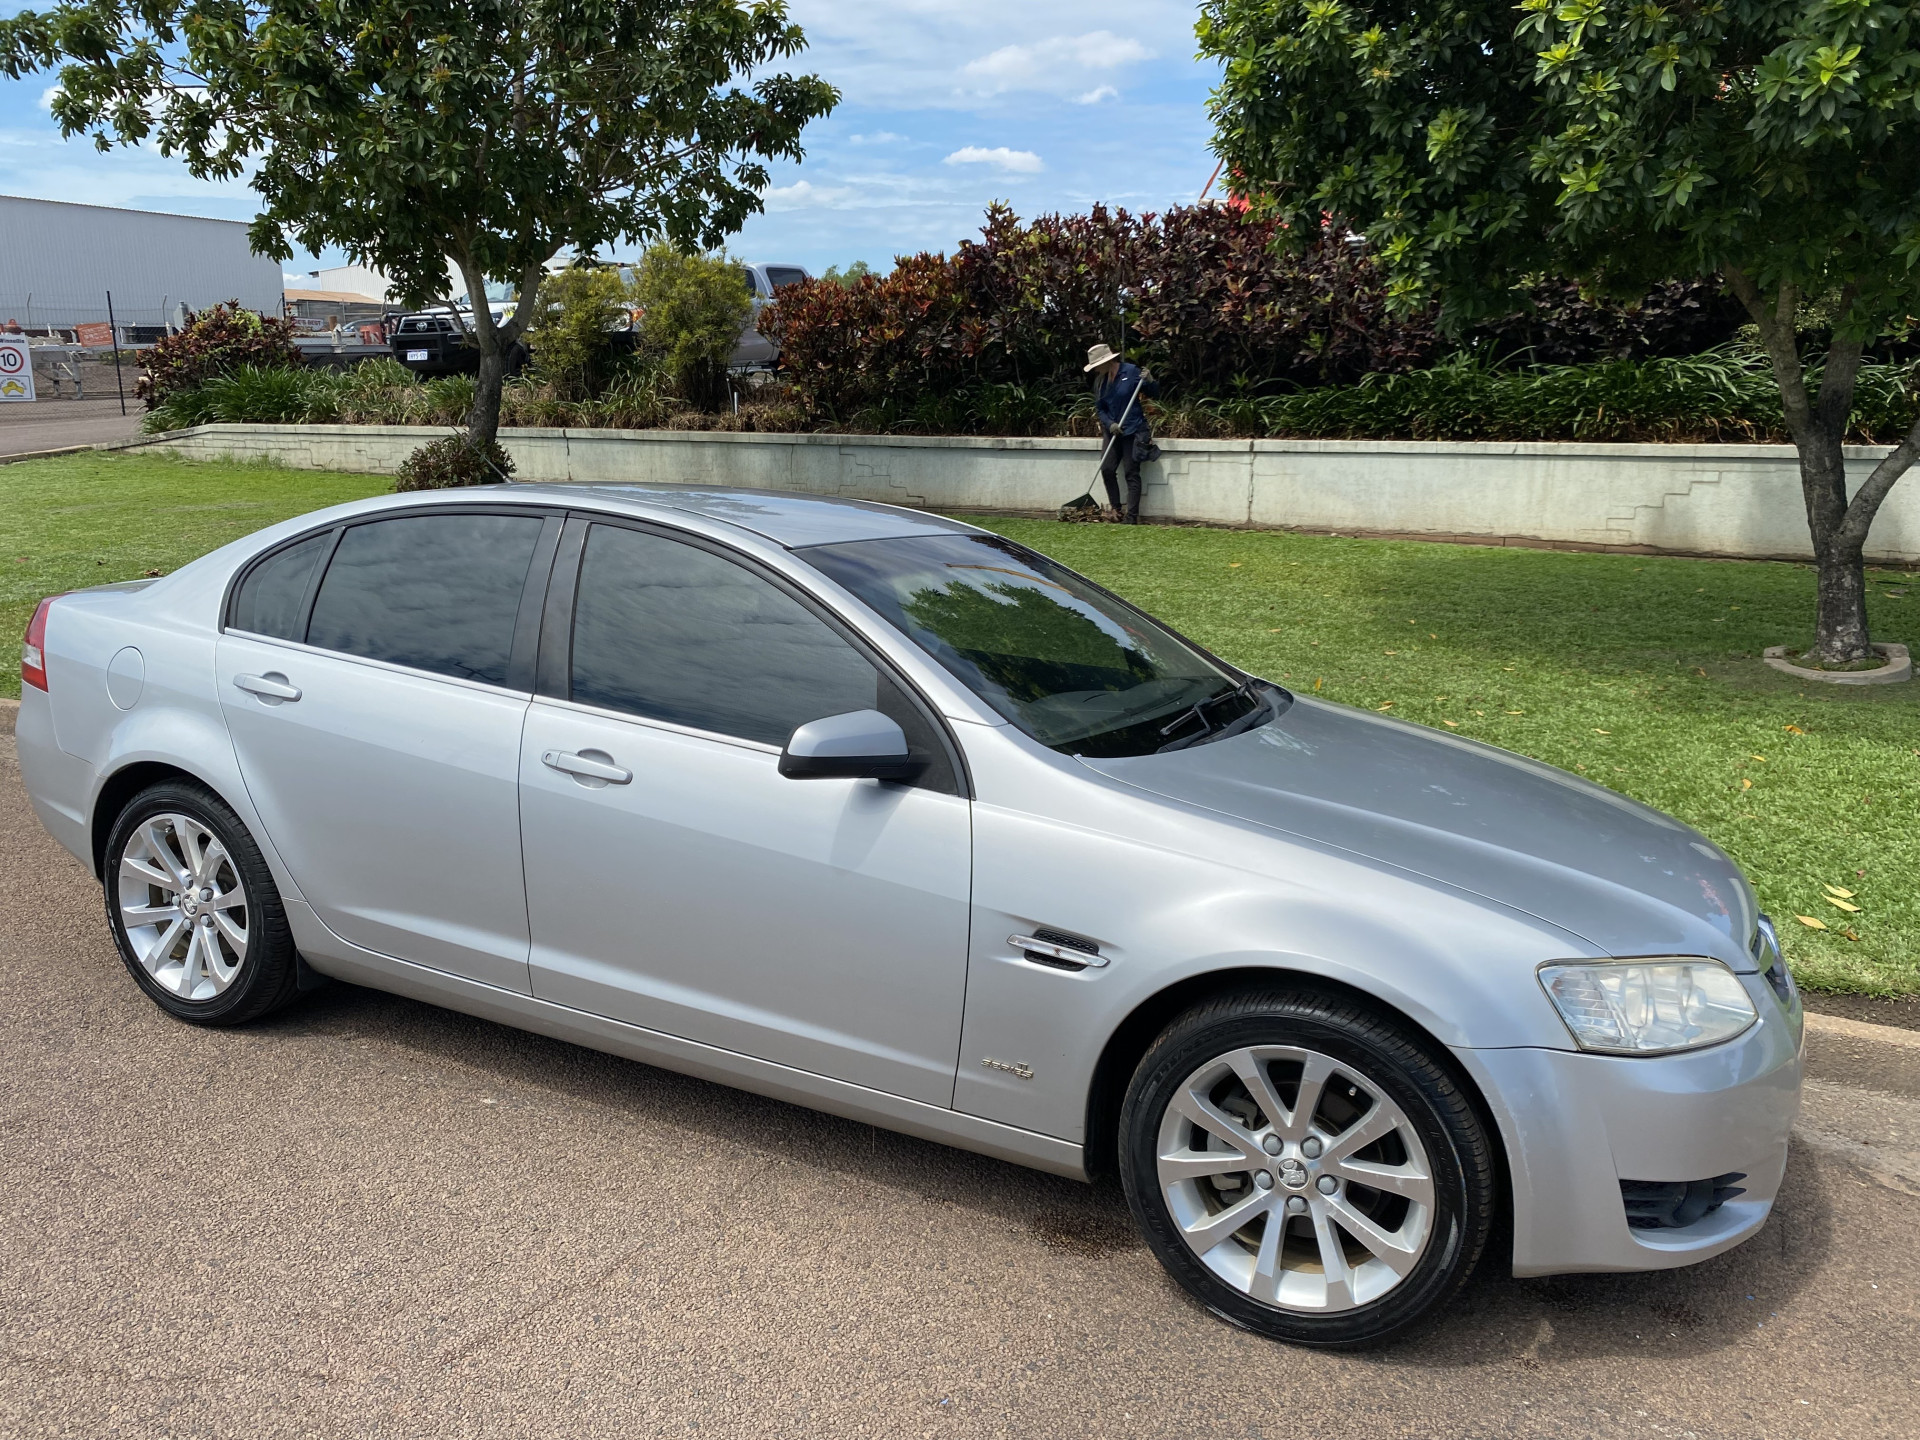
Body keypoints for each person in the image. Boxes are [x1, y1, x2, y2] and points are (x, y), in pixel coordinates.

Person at [1085, 342, 1158, 523]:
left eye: (1097, 366)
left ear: (1108, 361)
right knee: (1107, 469)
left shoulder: (1131, 371)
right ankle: (1116, 510)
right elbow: (1100, 408)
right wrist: (1110, 424)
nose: (1095, 370)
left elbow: (1154, 392)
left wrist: (1149, 380)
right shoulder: (1100, 382)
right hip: (1112, 431)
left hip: (1133, 430)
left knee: (1131, 472)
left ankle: (1131, 517)